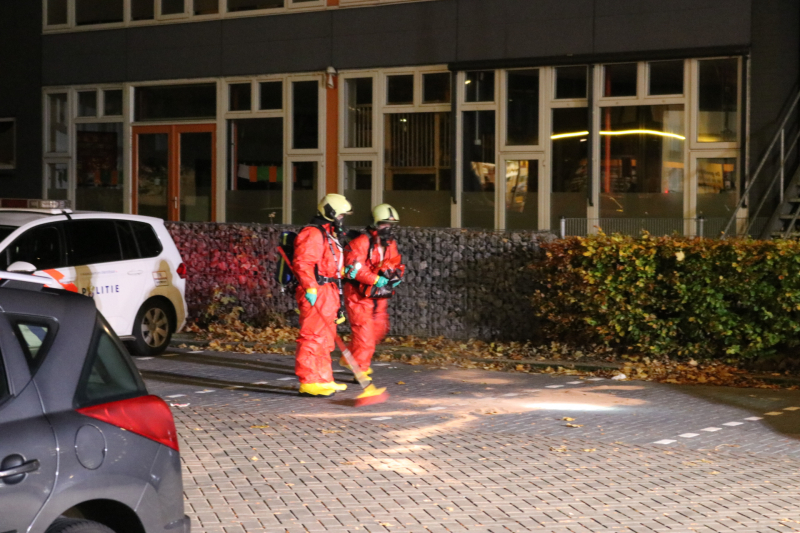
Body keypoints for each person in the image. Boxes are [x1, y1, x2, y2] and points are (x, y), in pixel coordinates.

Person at [293, 193, 352, 397]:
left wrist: (345, 272)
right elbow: (303, 263)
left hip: (329, 291)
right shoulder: (313, 233)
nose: (343, 219)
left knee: (326, 338)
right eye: (342, 215)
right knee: (312, 336)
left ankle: (324, 379)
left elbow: (329, 263)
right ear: (332, 213)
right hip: (317, 290)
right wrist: (310, 287)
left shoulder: (329, 234)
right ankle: (309, 380)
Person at [342, 204, 405, 378]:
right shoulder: (360, 243)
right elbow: (353, 269)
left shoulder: (389, 244)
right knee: (364, 334)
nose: (388, 228)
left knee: (378, 328)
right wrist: (375, 279)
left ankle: (352, 358)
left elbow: (396, 262)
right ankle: (360, 370)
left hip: (378, 293)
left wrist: (396, 276)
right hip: (358, 294)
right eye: (384, 224)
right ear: (375, 223)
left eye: (390, 225)